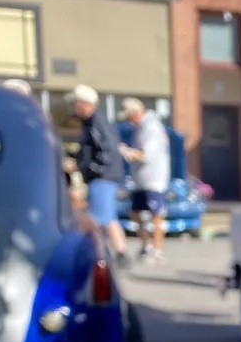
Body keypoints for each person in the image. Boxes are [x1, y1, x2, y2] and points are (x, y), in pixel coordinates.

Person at [72, 84, 128, 263]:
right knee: (107, 215)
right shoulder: (94, 121)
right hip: (103, 175)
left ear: (84, 103)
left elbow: (108, 149)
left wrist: (92, 169)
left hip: (102, 176)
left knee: (96, 217)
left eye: (75, 103)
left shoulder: (97, 121)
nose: (74, 108)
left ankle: (97, 254)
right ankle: (120, 252)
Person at [119, 97, 171, 261]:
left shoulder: (151, 127)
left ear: (136, 113)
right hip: (140, 180)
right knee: (134, 213)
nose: (128, 121)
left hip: (153, 180)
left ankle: (157, 249)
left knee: (157, 214)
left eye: (129, 117)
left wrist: (126, 152)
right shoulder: (140, 128)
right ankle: (146, 245)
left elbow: (146, 154)